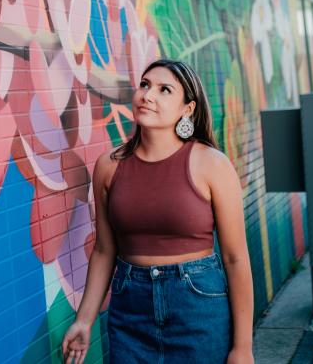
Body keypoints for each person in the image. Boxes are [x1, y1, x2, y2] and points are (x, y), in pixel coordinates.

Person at [61, 59, 254, 364]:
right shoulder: (108, 166)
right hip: (130, 314)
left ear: (187, 109)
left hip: (198, 309)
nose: (147, 95)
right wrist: (84, 320)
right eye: (145, 85)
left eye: (165, 90)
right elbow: (103, 250)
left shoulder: (212, 164)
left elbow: (235, 258)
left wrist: (242, 348)